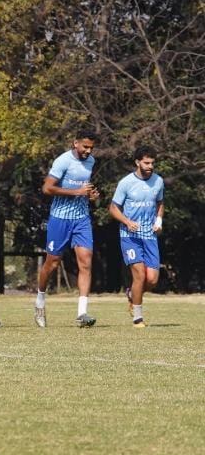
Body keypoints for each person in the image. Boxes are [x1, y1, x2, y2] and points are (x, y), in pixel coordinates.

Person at [33, 129, 101, 328]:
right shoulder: (63, 161)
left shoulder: (91, 162)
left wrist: (90, 195)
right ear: (75, 143)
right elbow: (47, 188)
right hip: (60, 219)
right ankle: (39, 301)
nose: (88, 151)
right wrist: (76, 192)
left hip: (81, 219)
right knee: (52, 263)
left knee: (86, 262)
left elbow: (84, 187)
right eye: (85, 146)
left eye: (91, 148)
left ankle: (82, 313)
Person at [108, 146, 164, 328]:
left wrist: (159, 221)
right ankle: (138, 318)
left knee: (152, 280)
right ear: (137, 162)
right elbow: (113, 208)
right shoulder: (126, 183)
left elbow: (160, 203)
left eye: (152, 163)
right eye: (146, 163)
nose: (150, 166)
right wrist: (126, 221)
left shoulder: (158, 181)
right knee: (139, 275)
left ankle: (133, 294)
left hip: (149, 236)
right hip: (129, 236)